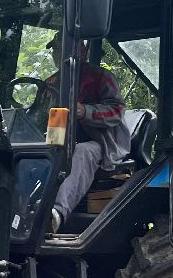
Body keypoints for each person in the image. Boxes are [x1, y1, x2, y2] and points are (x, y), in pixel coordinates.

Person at [43, 36, 129, 231]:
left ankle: (55, 214)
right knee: (34, 151)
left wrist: (85, 111)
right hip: (59, 140)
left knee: (82, 151)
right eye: (55, 49)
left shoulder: (101, 77)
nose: (58, 54)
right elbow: (38, 116)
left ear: (81, 50)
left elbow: (116, 111)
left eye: (62, 48)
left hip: (100, 143)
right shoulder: (51, 82)